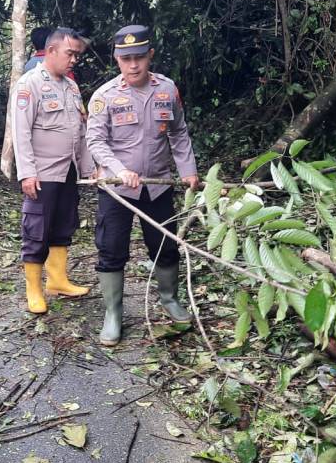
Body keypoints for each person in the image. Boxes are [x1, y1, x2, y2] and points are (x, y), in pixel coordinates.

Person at [85, 24, 199, 346]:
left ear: (150, 56)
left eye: (138, 57)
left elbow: (178, 131)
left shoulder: (167, 90)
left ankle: (169, 298)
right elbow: (95, 140)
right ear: (116, 59)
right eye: (125, 59)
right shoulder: (104, 97)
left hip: (158, 186)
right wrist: (119, 170)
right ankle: (113, 313)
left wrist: (188, 170)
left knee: (165, 245)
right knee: (111, 250)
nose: (133, 65)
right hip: (116, 190)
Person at [11, 27, 94, 313]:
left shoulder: (71, 87)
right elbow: (20, 132)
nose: (74, 60)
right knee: (36, 231)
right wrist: (26, 173)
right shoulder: (29, 84)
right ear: (51, 51)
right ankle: (33, 289)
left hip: (67, 170)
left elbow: (80, 131)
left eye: (77, 55)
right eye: (70, 54)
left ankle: (57, 280)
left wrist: (87, 167)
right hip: (42, 172)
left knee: (64, 225)